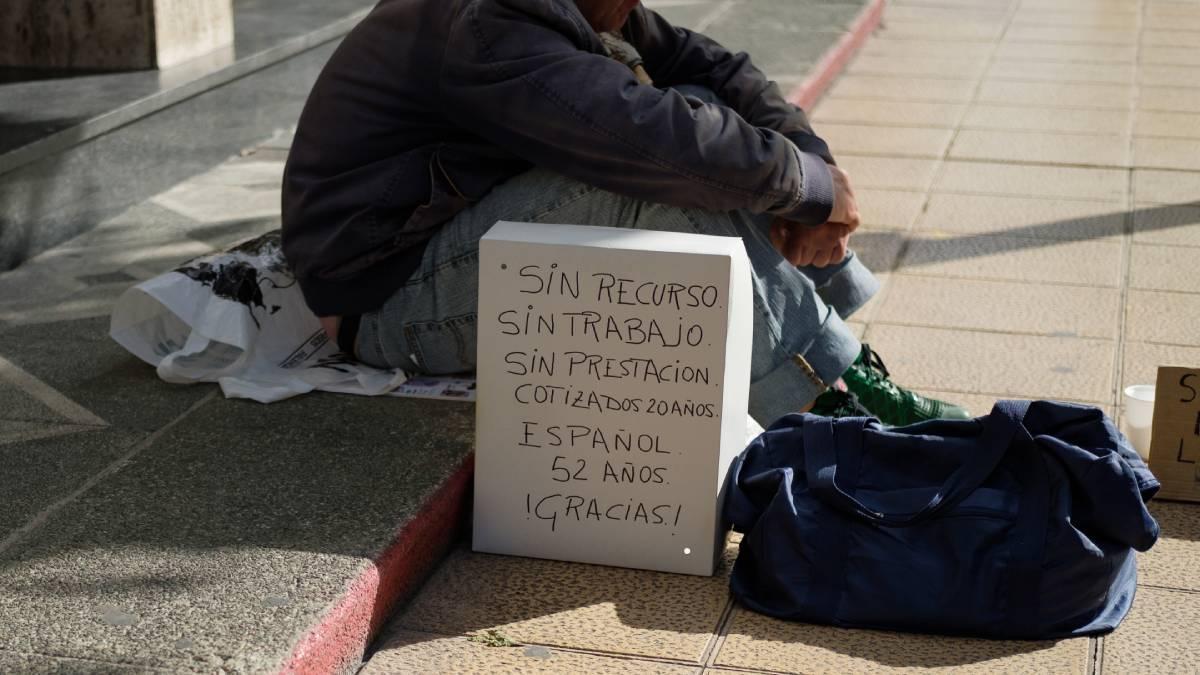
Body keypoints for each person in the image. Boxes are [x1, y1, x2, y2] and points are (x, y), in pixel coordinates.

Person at [281, 0, 969, 426]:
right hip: (385, 299)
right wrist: (801, 183)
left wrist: (812, 169)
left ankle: (840, 372)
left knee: (710, 111)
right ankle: (824, 407)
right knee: (665, 172)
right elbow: (650, 140)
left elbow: (722, 72)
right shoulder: (491, 25)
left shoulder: (579, 5)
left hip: (442, 247)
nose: (638, 4)